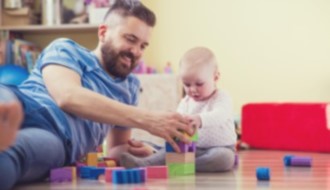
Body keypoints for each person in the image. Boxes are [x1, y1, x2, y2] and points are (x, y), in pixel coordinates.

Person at [0, 1, 194, 189]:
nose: (135, 51)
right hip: (23, 101)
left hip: (58, 138)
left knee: (14, 153)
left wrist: (147, 152)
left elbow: (115, 149)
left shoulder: (130, 88)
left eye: (143, 46)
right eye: (130, 39)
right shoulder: (67, 49)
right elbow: (67, 96)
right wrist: (149, 119)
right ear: (103, 33)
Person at [120, 47, 237, 172]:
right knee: (170, 148)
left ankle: (183, 166)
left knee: (223, 159)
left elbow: (220, 115)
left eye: (199, 84)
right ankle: (144, 163)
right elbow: (178, 123)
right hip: (191, 148)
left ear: (215, 77)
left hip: (221, 147)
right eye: (187, 84)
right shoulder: (186, 101)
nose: (192, 89)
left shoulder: (221, 97)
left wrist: (200, 119)